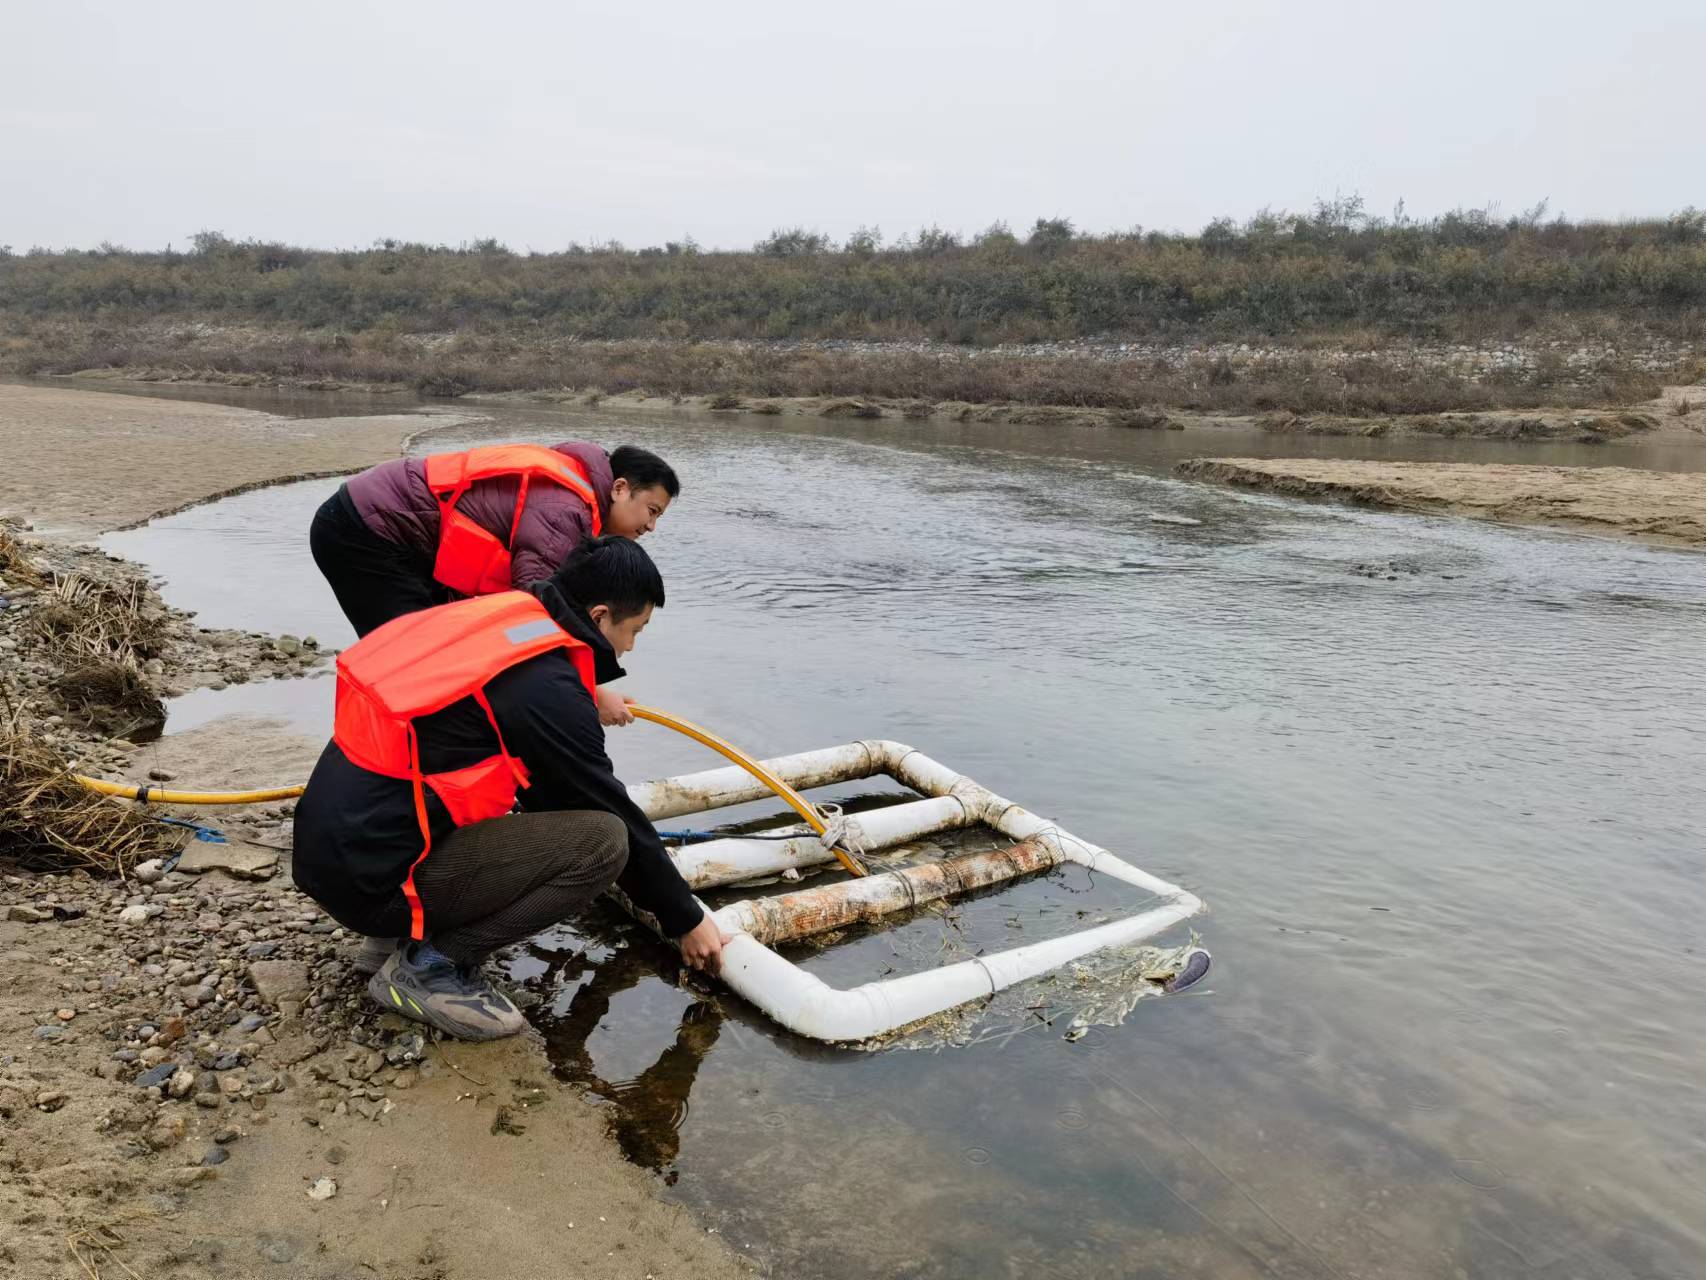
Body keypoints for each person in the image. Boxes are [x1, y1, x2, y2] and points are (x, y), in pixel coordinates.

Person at [290, 536, 729, 1041]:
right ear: (602, 614)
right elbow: (604, 806)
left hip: (334, 856)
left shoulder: (504, 615)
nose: (629, 647)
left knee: (523, 809)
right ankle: (430, 966)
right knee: (604, 843)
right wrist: (685, 918)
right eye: (634, 630)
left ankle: (393, 936)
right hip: (374, 882)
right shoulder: (548, 691)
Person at [308, 440, 678, 726]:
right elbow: (534, 614)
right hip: (365, 531)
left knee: (449, 662)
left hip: (393, 538)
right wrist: (591, 693)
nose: (651, 527)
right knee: (418, 668)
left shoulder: (576, 495)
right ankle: (395, 778)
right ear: (619, 488)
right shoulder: (564, 511)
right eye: (652, 510)